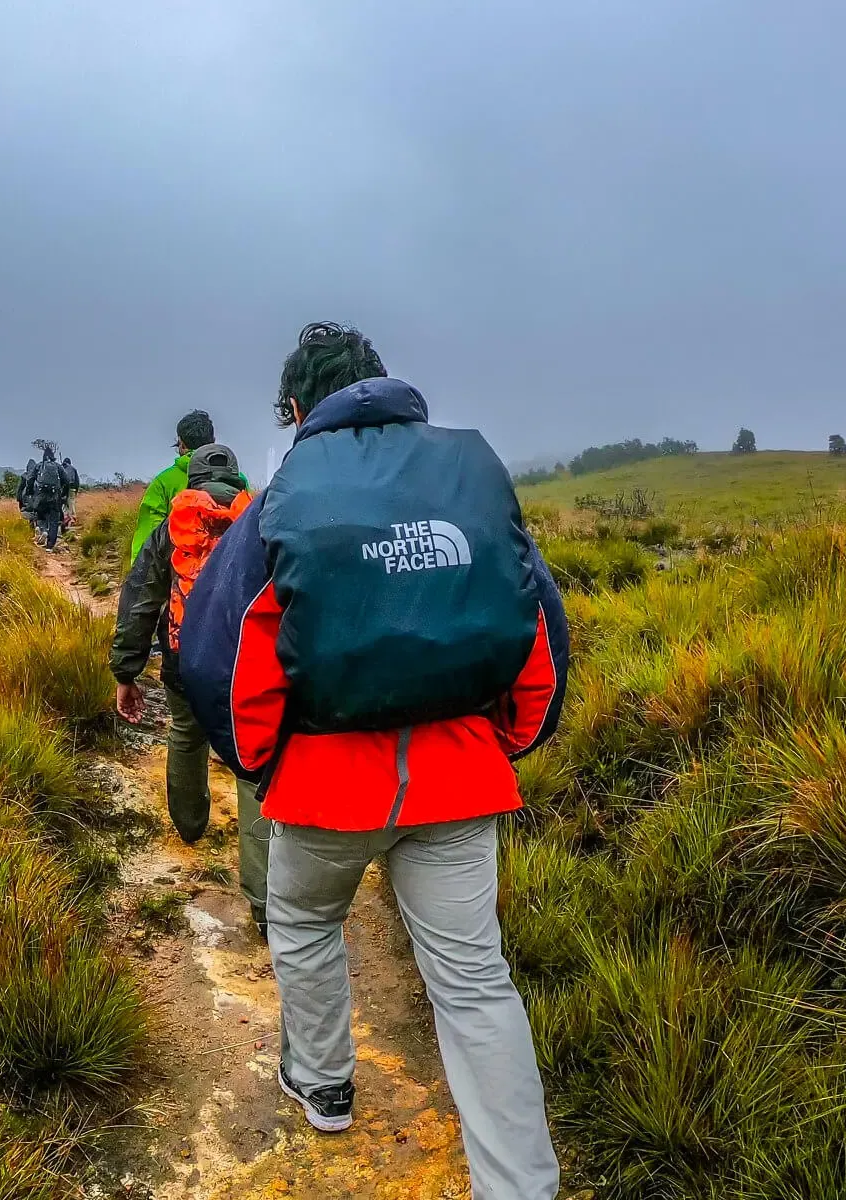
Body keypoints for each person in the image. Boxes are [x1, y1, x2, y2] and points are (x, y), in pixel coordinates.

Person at [181, 323, 568, 1200]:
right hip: (461, 775)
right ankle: (520, 1187)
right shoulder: (469, 474)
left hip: (324, 787)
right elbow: (535, 621)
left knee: (309, 926)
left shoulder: (286, 494)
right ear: (387, 384)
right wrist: (503, 740)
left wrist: (260, 763)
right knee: (474, 983)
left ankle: (323, 1088)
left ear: (294, 409)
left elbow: (230, 647)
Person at [109, 444, 269, 935]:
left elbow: (140, 602)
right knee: (251, 764)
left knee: (185, 732)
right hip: (247, 667)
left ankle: (190, 824)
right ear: (236, 478)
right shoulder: (260, 520)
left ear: (191, 480)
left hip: (184, 663)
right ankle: (265, 904)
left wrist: (126, 671)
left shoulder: (169, 531)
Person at [128, 410, 219, 573]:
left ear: (181, 444)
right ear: (213, 442)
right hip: (228, 579)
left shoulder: (163, 482)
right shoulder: (238, 479)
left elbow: (148, 539)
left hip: (181, 580)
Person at [22, 446, 69, 550]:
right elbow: (66, 480)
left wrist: (30, 492)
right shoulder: (58, 467)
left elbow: (29, 479)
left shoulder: (39, 465)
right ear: (53, 456)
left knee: (40, 514)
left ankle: (43, 530)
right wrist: (63, 494)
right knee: (54, 520)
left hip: (41, 496)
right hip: (54, 496)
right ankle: (50, 545)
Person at [62, 455, 82, 528]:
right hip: (71, 488)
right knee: (71, 502)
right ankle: (72, 518)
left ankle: (65, 517)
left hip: (63, 488)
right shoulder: (73, 469)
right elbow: (77, 481)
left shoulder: (61, 468)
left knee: (64, 503)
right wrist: (76, 490)